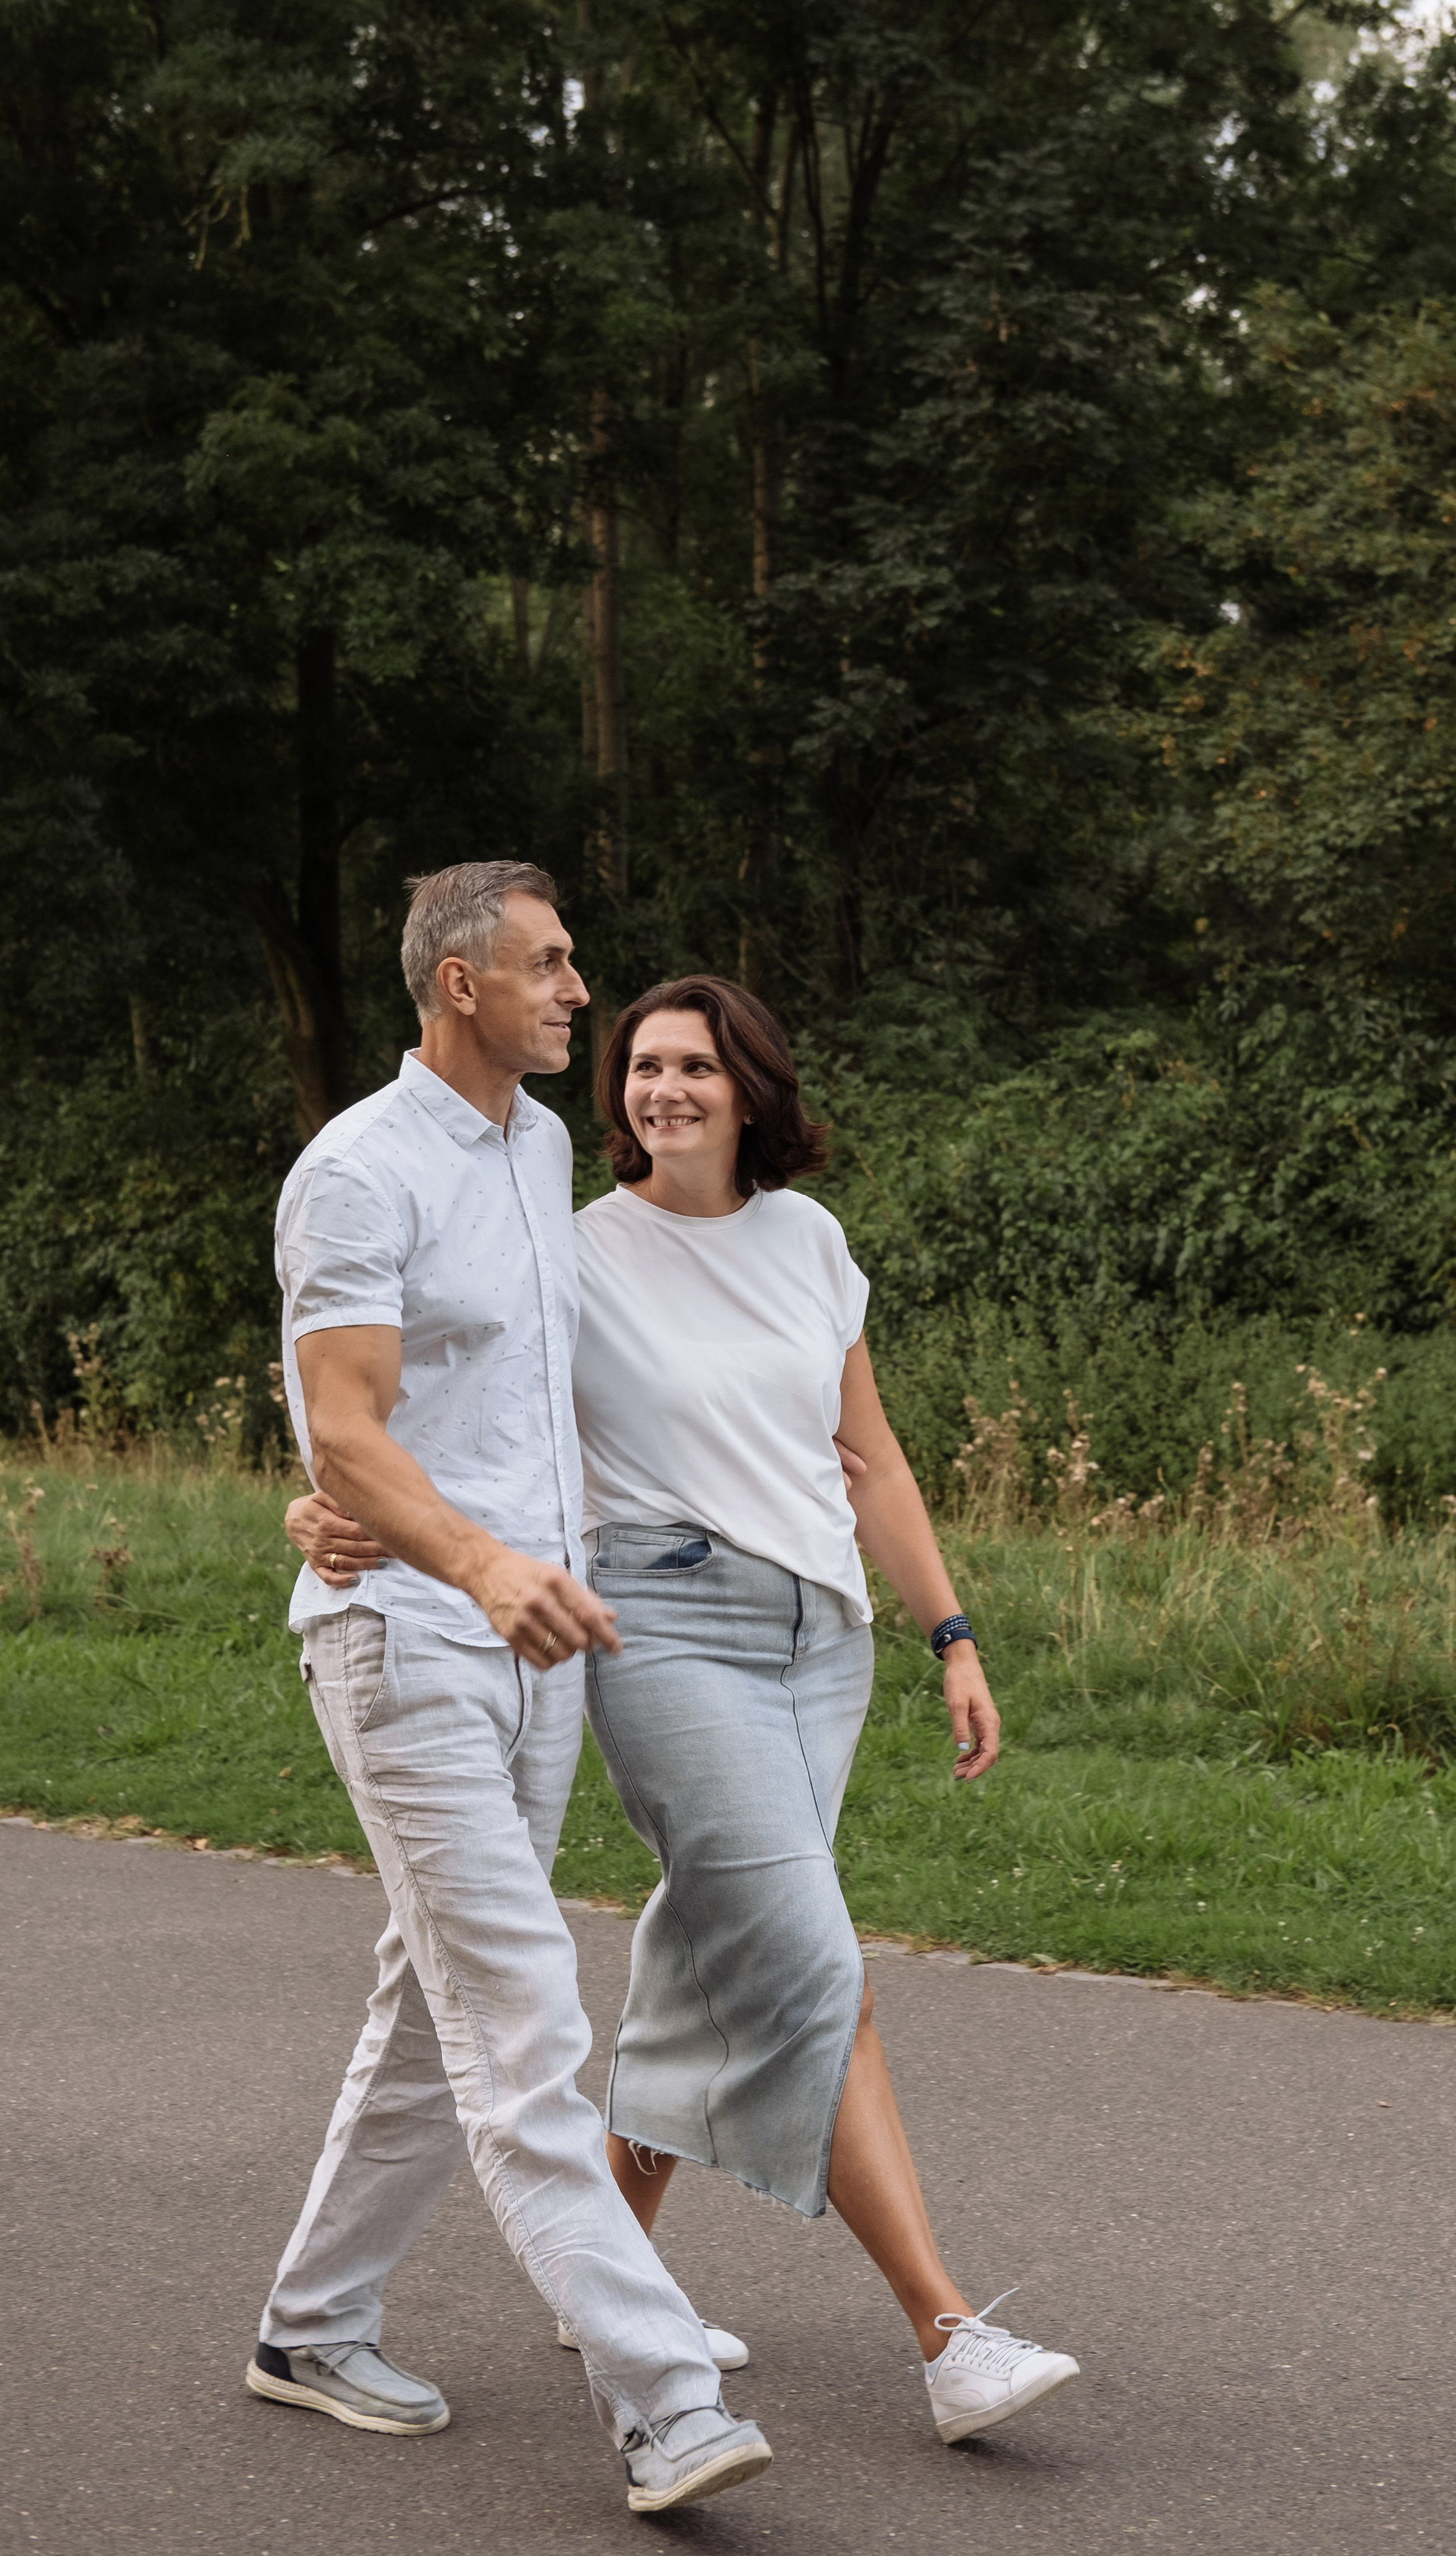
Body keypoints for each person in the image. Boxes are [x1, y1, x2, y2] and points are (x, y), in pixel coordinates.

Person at [292, 972, 1079, 2448]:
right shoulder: (576, 1248)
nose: (662, 1089)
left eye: (694, 1068)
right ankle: (946, 2330)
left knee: (719, 1945)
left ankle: (616, 2262)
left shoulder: (809, 1240)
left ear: (749, 1087)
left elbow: (876, 1460)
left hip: (817, 1639)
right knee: (805, 1950)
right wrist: (339, 1505)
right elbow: (455, 1402)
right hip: (659, 1623)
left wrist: (950, 1633)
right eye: (641, 1067)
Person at [254, 865, 772, 2517]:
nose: (578, 990)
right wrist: (459, 1555)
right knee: (527, 2011)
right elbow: (347, 1421)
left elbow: (481, 1406)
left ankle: (314, 2323)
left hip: (537, 1640)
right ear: (458, 987)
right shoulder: (356, 1169)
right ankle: (662, 2397)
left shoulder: (536, 1147)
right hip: (410, 1640)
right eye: (548, 966)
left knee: (441, 2005)